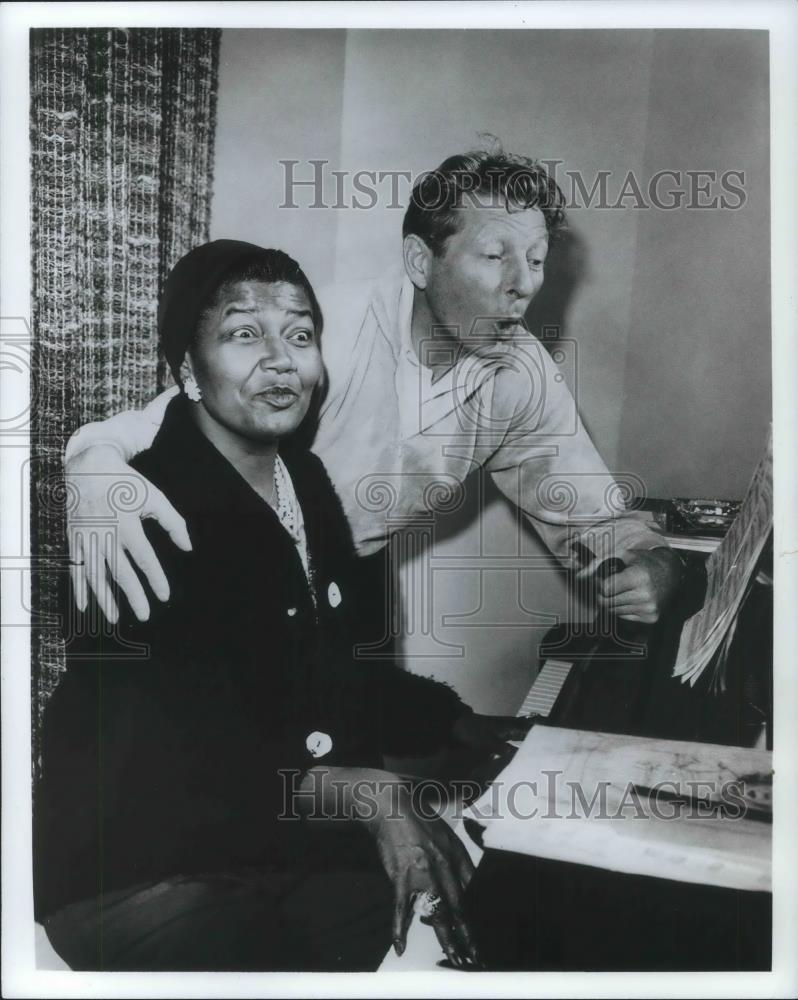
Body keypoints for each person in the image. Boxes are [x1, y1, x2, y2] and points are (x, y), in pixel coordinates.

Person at [35, 242, 514, 971]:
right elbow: (168, 755)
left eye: (299, 334)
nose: (280, 358)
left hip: (269, 837)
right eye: (242, 333)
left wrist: (469, 726)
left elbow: (334, 678)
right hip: (136, 864)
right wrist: (364, 795)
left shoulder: (305, 480)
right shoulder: (134, 510)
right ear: (186, 371)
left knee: (483, 923)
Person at [64, 148, 682, 647]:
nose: (522, 286)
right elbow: (155, 424)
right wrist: (93, 468)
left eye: (537, 259)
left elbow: (591, 518)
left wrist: (656, 566)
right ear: (420, 260)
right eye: (495, 256)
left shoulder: (523, 373)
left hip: (347, 572)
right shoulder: (321, 330)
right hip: (211, 572)